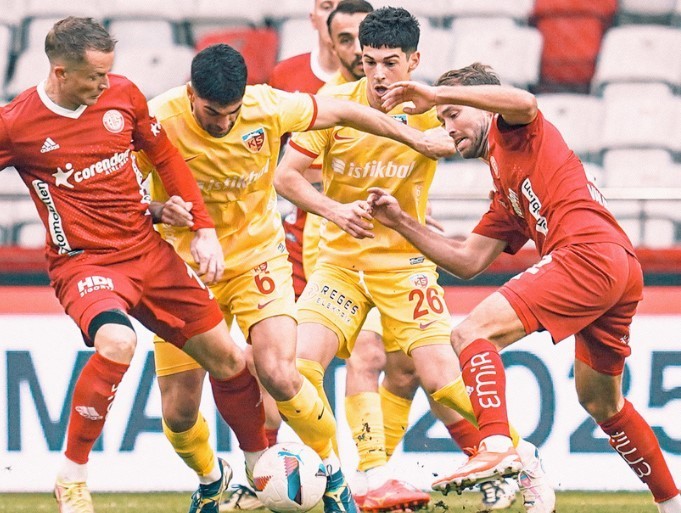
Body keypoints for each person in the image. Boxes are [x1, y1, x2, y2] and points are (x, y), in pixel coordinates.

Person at [140, 42, 454, 513]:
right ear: (190, 94)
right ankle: (210, 479)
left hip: (257, 259)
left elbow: (345, 111)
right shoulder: (156, 120)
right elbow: (116, 194)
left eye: (232, 113)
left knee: (281, 372)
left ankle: (333, 475)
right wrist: (159, 209)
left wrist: (417, 140)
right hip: (185, 268)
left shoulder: (268, 106)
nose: (224, 124)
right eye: (212, 114)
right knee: (179, 412)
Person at [274, 8, 554, 513]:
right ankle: (354, 475)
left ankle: (523, 453)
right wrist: (334, 209)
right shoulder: (334, 102)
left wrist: (429, 127)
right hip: (340, 265)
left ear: (414, 60)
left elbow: (455, 138)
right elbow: (286, 176)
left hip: (406, 265)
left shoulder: (432, 106)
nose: (379, 75)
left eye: (390, 63)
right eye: (369, 62)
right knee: (298, 368)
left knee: (443, 382)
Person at [368, 62, 681, 513]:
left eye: (454, 114)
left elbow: (525, 102)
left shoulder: (514, 129)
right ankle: (672, 504)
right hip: (616, 265)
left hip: (587, 254)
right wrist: (401, 222)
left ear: (484, 106)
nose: (448, 127)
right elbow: (468, 261)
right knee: (602, 402)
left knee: (470, 333)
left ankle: (497, 446)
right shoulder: (503, 188)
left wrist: (436, 94)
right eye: (442, 120)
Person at [0, 17, 269, 513]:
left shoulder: (123, 95)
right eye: (95, 76)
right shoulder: (17, 124)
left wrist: (202, 228)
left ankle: (260, 471)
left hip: (149, 252)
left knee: (230, 361)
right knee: (118, 342)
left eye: (108, 73)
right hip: (85, 265)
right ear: (61, 72)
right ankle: (72, 476)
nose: (105, 84)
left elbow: (165, 158)